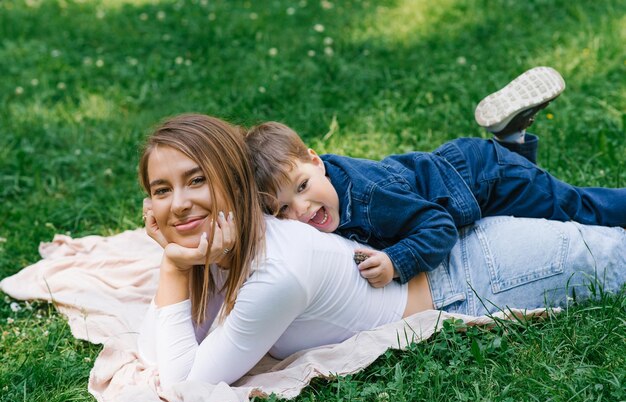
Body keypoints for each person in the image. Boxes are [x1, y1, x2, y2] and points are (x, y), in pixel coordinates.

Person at [136, 113, 626, 388]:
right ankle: (513, 146)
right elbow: (157, 343)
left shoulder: (275, 269)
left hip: (475, 275)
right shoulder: (227, 237)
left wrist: (172, 268)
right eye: (161, 190)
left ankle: (512, 151)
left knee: (598, 229)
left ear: (233, 184)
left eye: (196, 181)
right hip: (444, 240)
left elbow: (183, 387)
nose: (178, 205)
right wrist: (179, 264)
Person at [245, 67, 626, 288]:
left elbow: (438, 224)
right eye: (281, 209)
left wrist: (397, 261)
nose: (301, 209)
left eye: (302, 187)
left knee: (573, 207)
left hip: (486, 179)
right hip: (464, 168)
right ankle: (510, 136)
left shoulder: (370, 197)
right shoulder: (329, 189)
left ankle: (511, 147)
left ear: (316, 160)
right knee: (532, 194)